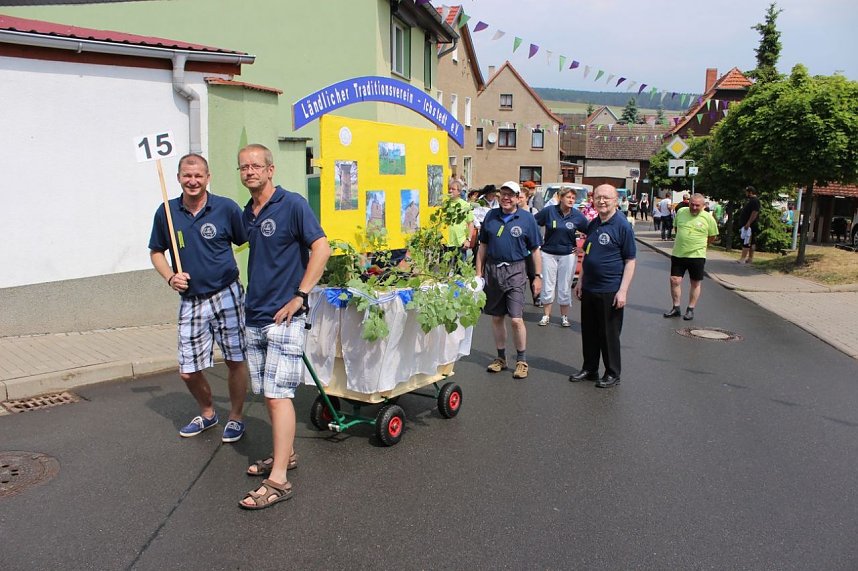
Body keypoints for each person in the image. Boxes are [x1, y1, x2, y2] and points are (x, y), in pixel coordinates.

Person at [237, 144, 331, 510]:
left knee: (278, 396)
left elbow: (321, 247)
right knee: (265, 393)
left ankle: (278, 479)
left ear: (271, 169)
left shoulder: (292, 204)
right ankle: (285, 453)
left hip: (286, 315)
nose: (250, 171)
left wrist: (301, 295)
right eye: (244, 167)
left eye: (256, 166)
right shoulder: (249, 212)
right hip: (255, 314)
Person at [148, 153, 250, 443]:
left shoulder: (226, 208)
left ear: (208, 177)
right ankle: (208, 414)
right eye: (187, 176)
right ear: (179, 178)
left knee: (235, 359)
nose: (192, 181)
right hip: (192, 300)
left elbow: (248, 240)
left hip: (227, 293)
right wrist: (170, 276)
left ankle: (236, 417)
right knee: (188, 371)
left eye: (198, 176)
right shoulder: (166, 212)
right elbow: (156, 251)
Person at [569, 184, 636, 388]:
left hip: (610, 289)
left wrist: (623, 291)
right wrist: (581, 280)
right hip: (590, 287)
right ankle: (590, 368)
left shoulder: (622, 225)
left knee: (608, 334)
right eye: (598, 197)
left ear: (616, 200)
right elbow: (588, 253)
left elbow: (630, 260)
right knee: (589, 332)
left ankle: (612, 372)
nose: (602, 201)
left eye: (606, 197)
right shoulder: (594, 224)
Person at [476, 181, 543, 379]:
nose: (506, 198)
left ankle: (521, 360)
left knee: (515, 319)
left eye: (510, 195)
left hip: (516, 270)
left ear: (517, 198)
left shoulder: (527, 219)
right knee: (497, 317)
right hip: (493, 270)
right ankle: (501, 358)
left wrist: (537, 276)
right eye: (503, 194)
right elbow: (483, 247)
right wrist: (478, 273)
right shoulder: (491, 216)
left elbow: (535, 250)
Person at [535, 186, 589, 327]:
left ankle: (564, 317)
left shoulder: (577, 215)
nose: (571, 200)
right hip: (548, 253)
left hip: (568, 254)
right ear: (560, 198)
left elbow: (591, 231)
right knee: (548, 285)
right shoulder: (549, 211)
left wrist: (583, 247)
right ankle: (546, 315)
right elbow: (534, 224)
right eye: (568, 197)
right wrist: (537, 242)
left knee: (564, 286)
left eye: (573, 198)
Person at [663, 193, 718, 321]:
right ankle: (676, 308)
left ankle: (690, 309)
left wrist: (703, 245)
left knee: (695, 282)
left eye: (697, 205)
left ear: (703, 206)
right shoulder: (682, 211)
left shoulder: (708, 218)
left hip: (697, 255)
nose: (693, 207)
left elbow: (713, 236)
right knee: (675, 280)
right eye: (691, 204)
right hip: (679, 253)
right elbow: (676, 228)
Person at [519, 183, 542, 307]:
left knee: (532, 274)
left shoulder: (533, 211)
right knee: (519, 276)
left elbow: (536, 230)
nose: (519, 200)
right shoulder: (513, 212)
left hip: (530, 247)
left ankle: (536, 297)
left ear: (527, 198)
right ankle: (518, 299)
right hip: (519, 248)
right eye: (518, 197)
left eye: (522, 197)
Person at [445, 178, 474, 259]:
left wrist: (468, 239)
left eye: (453, 189)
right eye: (449, 189)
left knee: (460, 270)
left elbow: (470, 223)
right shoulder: (445, 204)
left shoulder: (465, 205)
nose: (450, 191)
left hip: (460, 243)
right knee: (445, 270)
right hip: (446, 242)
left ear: (459, 192)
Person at [737, 185, 761, 264]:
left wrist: (748, 223)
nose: (746, 194)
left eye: (747, 192)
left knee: (747, 241)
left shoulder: (754, 201)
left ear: (750, 192)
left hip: (750, 225)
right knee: (752, 241)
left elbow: (755, 212)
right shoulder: (751, 200)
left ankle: (743, 258)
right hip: (749, 224)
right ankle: (750, 258)